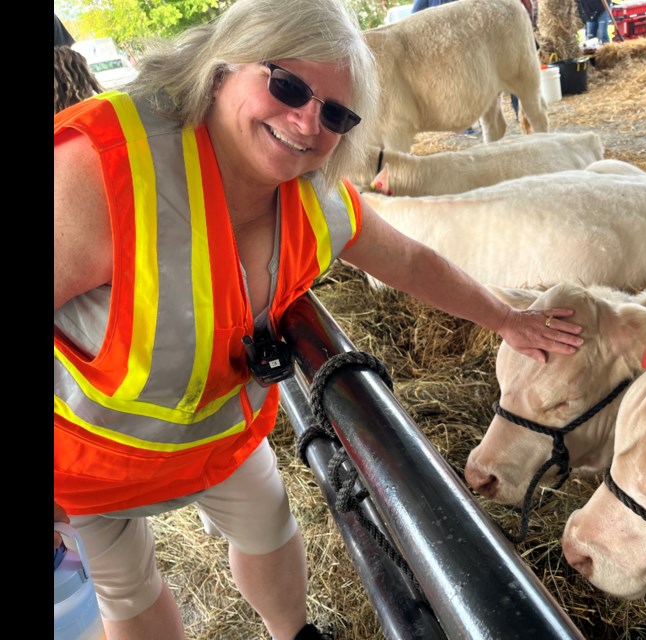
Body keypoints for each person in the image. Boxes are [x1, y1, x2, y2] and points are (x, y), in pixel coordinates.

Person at [53, 1, 584, 639]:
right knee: (125, 589)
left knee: (271, 528)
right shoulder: (107, 170)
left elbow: (410, 262)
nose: (307, 120)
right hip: (86, 455)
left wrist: (508, 318)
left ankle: (295, 635)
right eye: (287, 85)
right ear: (224, 66)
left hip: (218, 432)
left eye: (335, 113)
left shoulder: (317, 204)